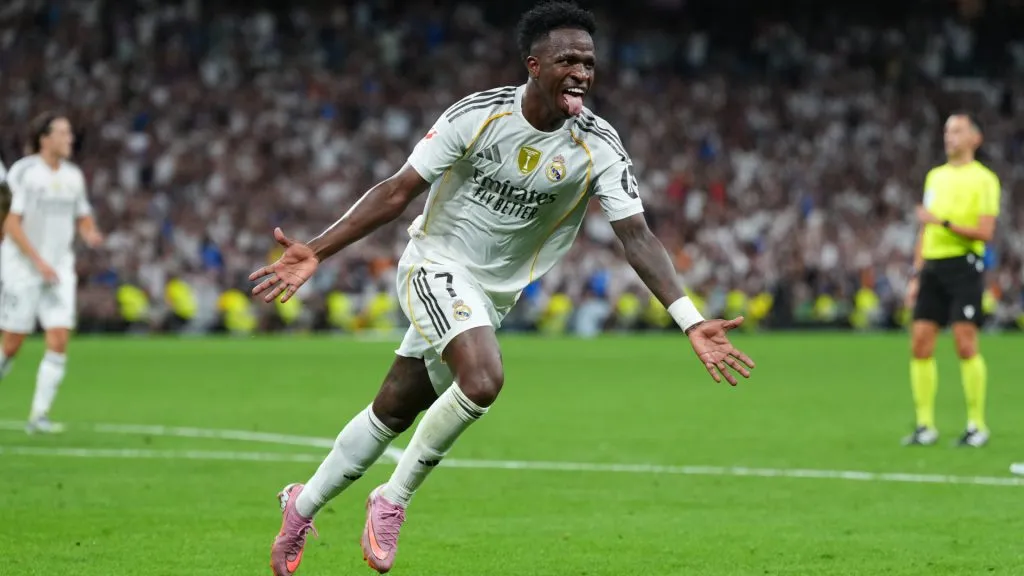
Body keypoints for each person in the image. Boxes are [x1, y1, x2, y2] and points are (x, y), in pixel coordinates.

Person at [251, 3, 755, 574]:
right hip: (434, 265)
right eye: (568, 59)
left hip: (493, 296)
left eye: (589, 62)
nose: (583, 71)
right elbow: (397, 192)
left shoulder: (599, 145)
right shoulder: (478, 116)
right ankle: (392, 498)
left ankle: (302, 505)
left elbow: (636, 236)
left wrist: (690, 319)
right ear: (534, 65)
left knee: (394, 407)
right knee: (484, 379)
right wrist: (317, 248)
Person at [0, 113, 104, 434]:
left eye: (70, 133)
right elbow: (11, 222)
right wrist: (38, 261)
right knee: (12, 342)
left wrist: (90, 232)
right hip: (23, 267)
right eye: (63, 133)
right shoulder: (25, 172)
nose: (69, 138)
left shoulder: (73, 176)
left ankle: (38, 416)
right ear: (44, 138)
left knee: (58, 339)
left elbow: (82, 215)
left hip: (59, 270)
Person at [903, 113, 1000, 448]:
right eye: (946, 131)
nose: (950, 137)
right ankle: (925, 425)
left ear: (975, 138)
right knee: (920, 344)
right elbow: (924, 228)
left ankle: (976, 424)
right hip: (932, 267)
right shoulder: (935, 177)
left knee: (965, 343)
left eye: (957, 131)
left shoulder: (985, 180)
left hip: (964, 266)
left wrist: (942, 222)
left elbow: (986, 232)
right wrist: (915, 274)